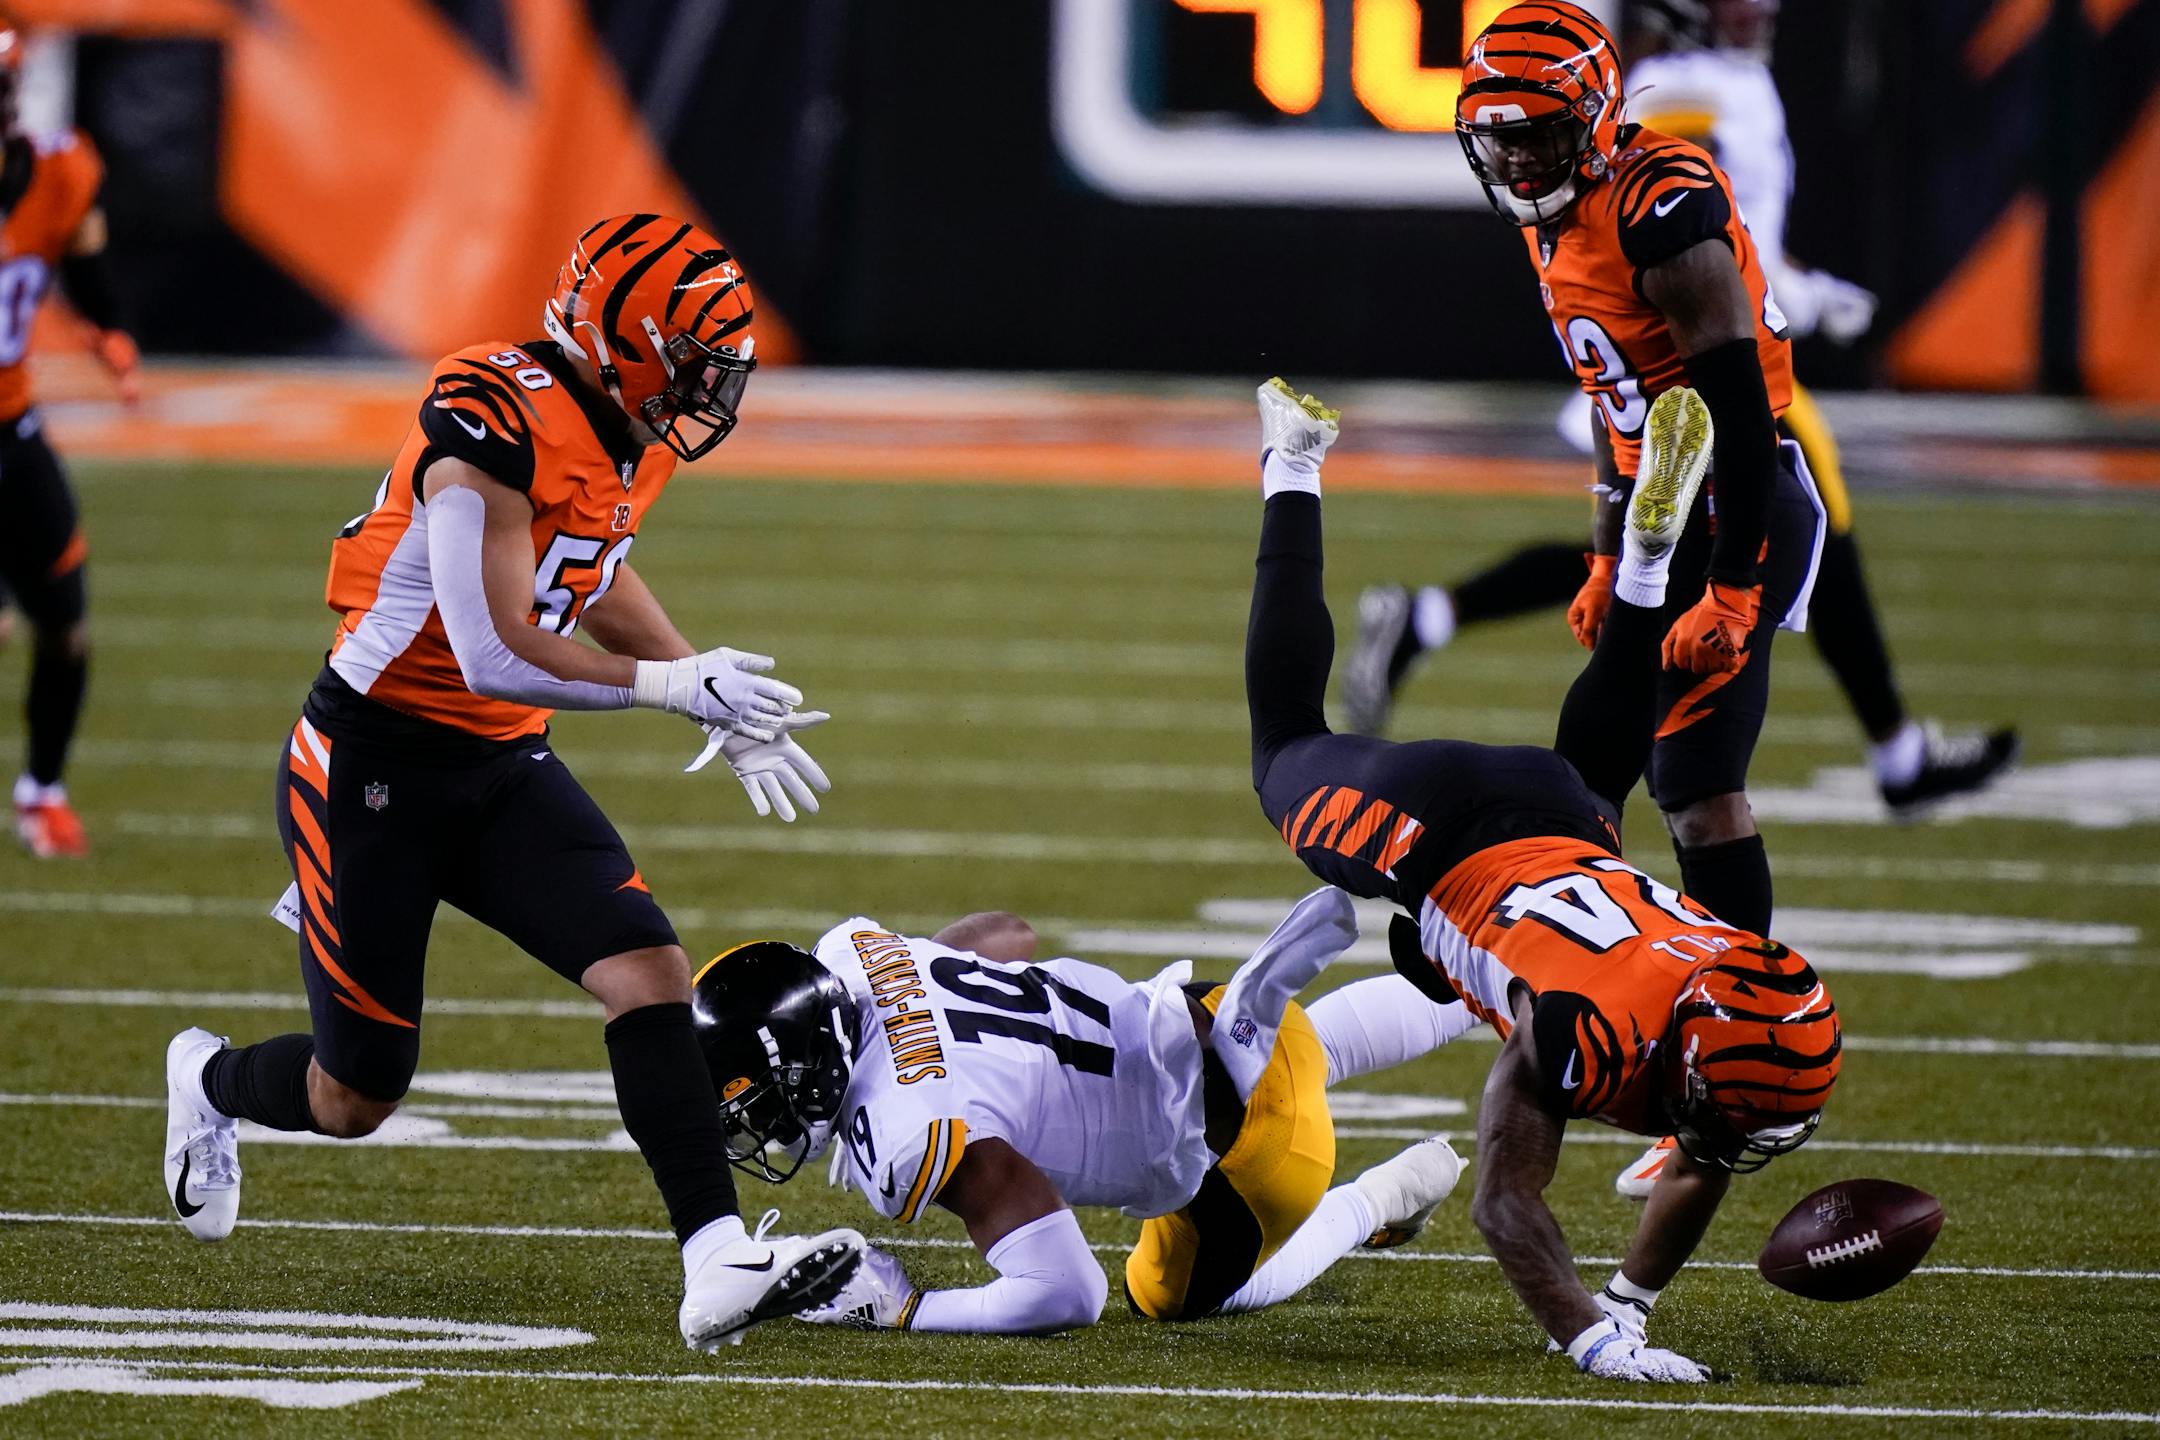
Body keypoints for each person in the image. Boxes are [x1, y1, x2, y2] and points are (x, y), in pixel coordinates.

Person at [158, 213, 863, 1352]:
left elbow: (591, 568)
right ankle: (213, 1081)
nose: (709, 390)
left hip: (496, 760)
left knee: (649, 973)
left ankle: (716, 1259)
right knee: (359, 1093)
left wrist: (701, 681)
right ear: (624, 341)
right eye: (692, 361)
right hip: (372, 763)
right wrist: (671, 691)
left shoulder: (624, 428)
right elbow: (489, 647)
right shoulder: (490, 420)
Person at [1246, 373, 1840, 1382]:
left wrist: (1631, 1301)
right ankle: (1291, 462)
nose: (1730, 1139)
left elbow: (1709, 1146)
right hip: (1435, 826)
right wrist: (1592, 1337)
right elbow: (1502, 1201)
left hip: (1566, 814)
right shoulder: (1584, 1034)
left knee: (1599, 785)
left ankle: (1646, 573)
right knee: (1284, 747)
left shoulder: (1738, 984)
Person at [1341, 0, 2016, 821]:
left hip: (1689, 358)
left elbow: (1728, 236)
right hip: (1686, 367)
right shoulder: (1667, 107)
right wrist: (1792, 294)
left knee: (1688, 549)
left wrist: (1794, 284)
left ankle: (1432, 617)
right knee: (1756, 545)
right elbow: (1677, 248)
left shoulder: (1712, 89)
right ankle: (1894, 752)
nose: (1757, 8)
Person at [687, 901, 1476, 1334]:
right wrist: (931, 983)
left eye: (763, 1099)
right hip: (1196, 1008)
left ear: (811, 1060)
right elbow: (1008, 932)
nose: (764, 1126)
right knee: (1304, 1049)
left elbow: (1067, 1290)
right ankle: (1499, 965)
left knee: (1163, 1297)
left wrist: (909, 1310)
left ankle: (1380, 1197)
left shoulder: (905, 1132)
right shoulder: (859, 954)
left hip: (1253, 1156)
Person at [0, 27, 143, 857]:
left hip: (14, 432)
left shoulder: (56, 172)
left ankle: (41, 792)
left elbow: (86, 260)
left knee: (66, 626)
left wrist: (111, 333)